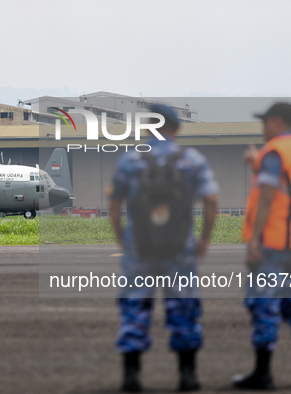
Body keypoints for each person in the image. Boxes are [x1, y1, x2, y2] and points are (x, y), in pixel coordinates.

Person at [109, 104, 219, 392]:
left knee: (135, 307)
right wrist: (204, 239)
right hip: (179, 248)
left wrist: (122, 237)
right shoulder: (192, 159)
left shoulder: (132, 158)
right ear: (177, 128)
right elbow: (211, 200)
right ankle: (187, 375)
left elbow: (114, 202)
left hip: (139, 247)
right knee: (184, 307)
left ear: (148, 126)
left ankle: (131, 375)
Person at [234, 102, 291, 390]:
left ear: (276, 121)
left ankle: (263, 373)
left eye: (264, 123)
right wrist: (257, 164)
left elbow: (268, 197)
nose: (262, 129)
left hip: (271, 245)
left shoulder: (275, 152)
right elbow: (289, 189)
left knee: (264, 306)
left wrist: (255, 240)